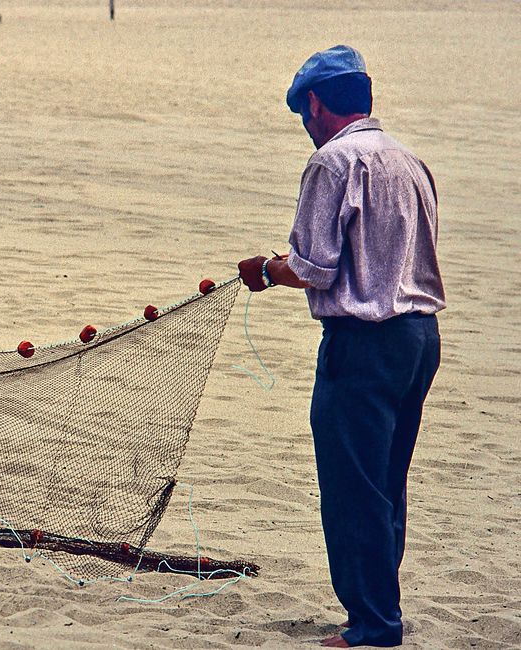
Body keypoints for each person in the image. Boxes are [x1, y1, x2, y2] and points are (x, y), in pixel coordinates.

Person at [237, 45, 445, 647]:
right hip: (419, 340)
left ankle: (373, 626)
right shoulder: (410, 162)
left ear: (317, 103)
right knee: (384, 482)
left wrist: (268, 270)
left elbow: (315, 267)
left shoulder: (333, 162)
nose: (306, 123)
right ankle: (377, 613)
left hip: (363, 344)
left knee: (353, 486)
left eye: (304, 109)